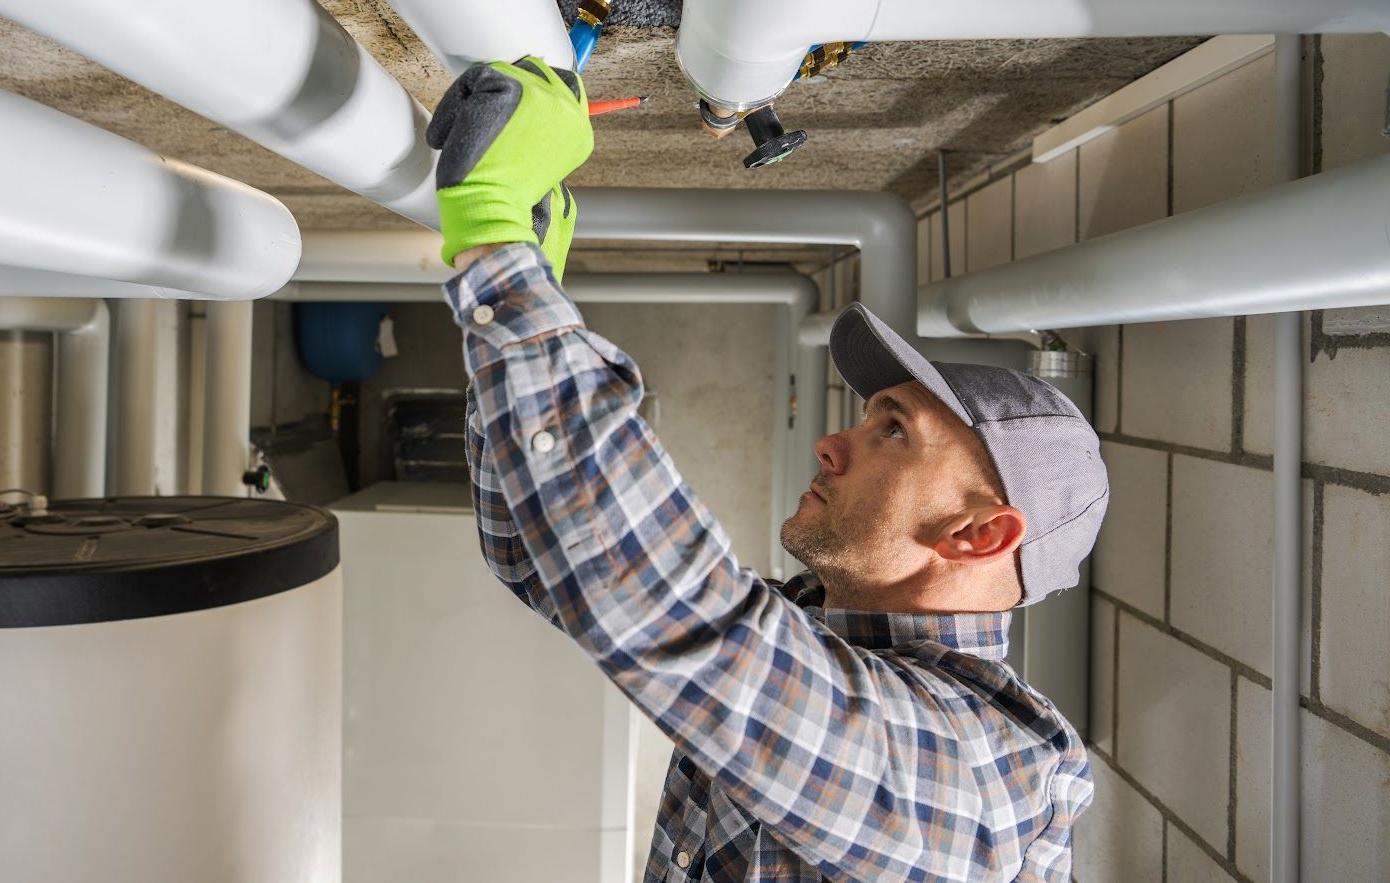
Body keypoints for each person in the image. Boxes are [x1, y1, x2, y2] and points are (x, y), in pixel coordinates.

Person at [427, 56, 1109, 881]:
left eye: (892, 432)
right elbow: (545, 558)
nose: (833, 443)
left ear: (980, 532)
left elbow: (685, 621)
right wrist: (526, 291)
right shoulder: (817, 635)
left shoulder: (986, 773)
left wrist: (499, 245)